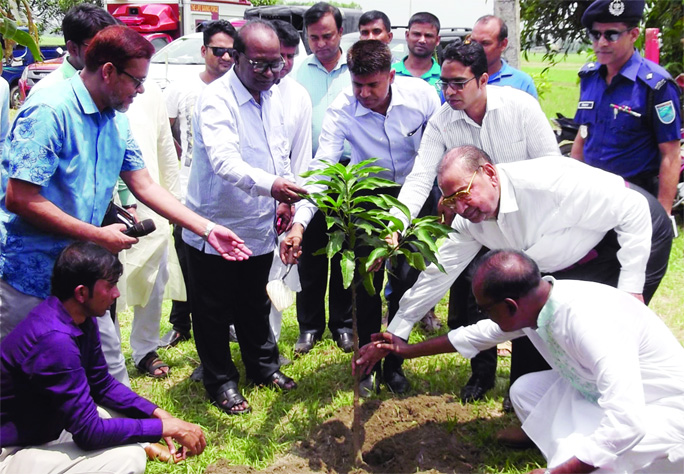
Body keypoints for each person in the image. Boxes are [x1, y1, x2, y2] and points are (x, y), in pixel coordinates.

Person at [0, 25, 251, 368]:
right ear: (107, 71)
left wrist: (206, 228)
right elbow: (20, 197)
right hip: (31, 276)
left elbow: (145, 185)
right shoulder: (50, 110)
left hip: (82, 272)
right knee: (27, 380)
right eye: (136, 80)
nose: (142, 89)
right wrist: (98, 235)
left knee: (108, 369)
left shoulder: (115, 120)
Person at [385, 146, 672, 406]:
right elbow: (440, 271)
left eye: (463, 194)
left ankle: (621, 411)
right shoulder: (470, 220)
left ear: (489, 173)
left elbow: (632, 209)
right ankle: (536, 406)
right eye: (451, 201)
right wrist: (399, 327)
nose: (460, 208)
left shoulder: (548, 183)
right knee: (532, 313)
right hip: (571, 251)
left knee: (599, 329)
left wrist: (631, 290)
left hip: (631, 231)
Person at [355, 249, 684, 474]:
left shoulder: (589, 321)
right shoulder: (539, 301)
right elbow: (476, 335)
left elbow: (628, 422)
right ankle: (567, 448)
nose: (485, 315)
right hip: (597, 393)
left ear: (511, 306)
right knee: (526, 391)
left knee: (581, 459)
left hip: (659, 410)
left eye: (487, 308)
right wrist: (402, 350)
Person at [393, 41, 560, 402]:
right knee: (474, 296)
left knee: (530, 301)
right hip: (474, 222)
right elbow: (421, 177)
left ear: (483, 79)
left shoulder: (520, 108)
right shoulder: (442, 121)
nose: (450, 92)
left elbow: (552, 168)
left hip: (530, 225)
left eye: (458, 84)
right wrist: (396, 222)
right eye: (445, 84)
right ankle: (481, 376)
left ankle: (526, 389)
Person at [281, 40, 440, 395]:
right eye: (358, 85)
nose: (365, 94)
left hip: (416, 190)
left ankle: (393, 364)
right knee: (366, 286)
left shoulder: (423, 97)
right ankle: (367, 363)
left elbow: (433, 156)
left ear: (392, 77)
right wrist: (300, 222)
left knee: (405, 284)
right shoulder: (343, 108)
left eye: (373, 85)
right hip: (368, 196)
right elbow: (322, 167)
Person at [184, 20, 306, 415]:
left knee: (255, 301)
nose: (271, 74)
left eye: (278, 65)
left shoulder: (272, 96)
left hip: (259, 223)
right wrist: (273, 186)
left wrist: (282, 199)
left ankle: (263, 367)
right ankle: (220, 381)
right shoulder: (216, 99)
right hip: (216, 223)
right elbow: (223, 161)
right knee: (213, 308)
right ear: (235, 58)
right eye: (260, 65)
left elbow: (278, 151)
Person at [0, 242, 207, 474]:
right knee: (127, 459)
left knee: (120, 413)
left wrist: (156, 413)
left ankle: (143, 441)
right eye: (110, 286)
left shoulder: (77, 317)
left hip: (45, 427)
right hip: (10, 450)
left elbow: (101, 384)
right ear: (81, 292)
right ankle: (141, 445)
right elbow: (89, 433)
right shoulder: (55, 341)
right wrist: (163, 428)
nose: (117, 293)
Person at [161, 19, 238, 349]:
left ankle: (230, 321)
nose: (225, 58)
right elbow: (168, 132)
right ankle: (181, 321)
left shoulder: (240, 88)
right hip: (187, 191)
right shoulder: (183, 86)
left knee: (227, 260)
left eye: (232, 52)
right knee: (185, 256)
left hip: (228, 193)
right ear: (204, 50)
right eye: (219, 51)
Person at [570, 0, 681, 216]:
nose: (601, 42)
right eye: (595, 35)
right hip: (592, 195)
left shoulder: (656, 85)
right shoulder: (590, 77)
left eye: (611, 35)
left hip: (635, 198)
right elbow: (583, 134)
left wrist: (662, 213)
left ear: (633, 34)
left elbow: (671, 153)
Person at [293, 2, 353, 355]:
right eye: (313, 37)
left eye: (327, 35)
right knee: (312, 252)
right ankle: (310, 326)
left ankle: (343, 325)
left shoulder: (355, 70)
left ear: (340, 33)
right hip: (311, 172)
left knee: (344, 249)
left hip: (349, 173)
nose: (320, 43)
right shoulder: (299, 73)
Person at [118, 80, 184, 378]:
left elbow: (164, 147)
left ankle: (145, 348)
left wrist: (173, 199)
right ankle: (104, 355)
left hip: (148, 199)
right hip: (97, 204)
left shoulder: (147, 92)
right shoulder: (61, 90)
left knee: (153, 273)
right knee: (99, 280)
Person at [268, 20, 313, 346]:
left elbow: (301, 162)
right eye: (277, 56)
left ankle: (266, 353)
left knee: (274, 278)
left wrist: (294, 208)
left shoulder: (298, 95)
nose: (283, 64)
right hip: (239, 204)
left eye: (290, 56)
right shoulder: (232, 90)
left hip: (283, 204)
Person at [29, 4, 116, 96]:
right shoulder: (47, 94)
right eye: (99, 47)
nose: (109, 53)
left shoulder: (117, 85)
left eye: (112, 45)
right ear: (73, 48)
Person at [470, 15, 538, 98]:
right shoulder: (459, 80)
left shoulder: (522, 83)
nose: (476, 48)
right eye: (473, 41)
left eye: (485, 43)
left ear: (503, 44)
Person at [392, 12, 441, 92]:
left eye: (428, 36)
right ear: (407, 36)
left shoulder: (443, 77)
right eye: (417, 34)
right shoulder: (389, 73)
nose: (422, 40)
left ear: (437, 40)